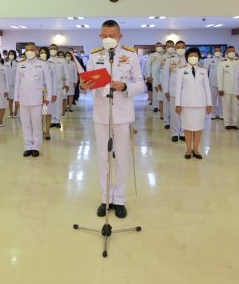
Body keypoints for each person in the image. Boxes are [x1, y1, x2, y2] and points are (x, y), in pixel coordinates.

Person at [80, 20, 145, 219]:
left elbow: (140, 83)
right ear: (100, 36)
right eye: (104, 35)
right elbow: (87, 82)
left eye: (112, 35)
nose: (108, 38)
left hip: (123, 113)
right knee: (103, 157)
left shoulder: (130, 55)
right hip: (101, 113)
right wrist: (84, 86)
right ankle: (105, 198)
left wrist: (125, 87)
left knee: (122, 156)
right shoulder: (94, 55)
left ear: (120, 36)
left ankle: (120, 200)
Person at [14, 42, 52, 157]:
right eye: (27, 49)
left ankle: (36, 146)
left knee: (36, 124)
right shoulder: (20, 64)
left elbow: (48, 82)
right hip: (23, 99)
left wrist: (48, 97)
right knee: (25, 124)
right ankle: (27, 146)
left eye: (31, 49)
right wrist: (16, 98)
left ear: (36, 51)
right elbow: (17, 83)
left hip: (37, 100)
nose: (29, 51)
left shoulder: (42, 64)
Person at [175, 47, 212, 159]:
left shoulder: (203, 70)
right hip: (186, 104)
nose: (193, 58)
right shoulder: (181, 70)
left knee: (198, 128)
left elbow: (207, 88)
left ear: (199, 57)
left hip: (200, 104)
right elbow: (178, 88)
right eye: (191, 56)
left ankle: (196, 149)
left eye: (195, 56)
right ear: (187, 57)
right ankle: (188, 150)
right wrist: (177, 104)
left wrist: (209, 104)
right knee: (187, 128)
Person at [161, 40, 186, 141]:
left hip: (186, 92)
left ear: (185, 48)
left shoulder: (189, 59)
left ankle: (183, 132)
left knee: (184, 113)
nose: (180, 49)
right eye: (178, 47)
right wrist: (166, 91)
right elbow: (166, 76)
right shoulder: (170, 60)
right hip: (173, 90)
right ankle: (175, 133)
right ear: (175, 49)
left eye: (182, 47)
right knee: (175, 113)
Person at [218, 45, 239, 130]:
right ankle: (227, 123)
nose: (231, 53)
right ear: (226, 53)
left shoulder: (238, 62)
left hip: (236, 89)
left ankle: (234, 123)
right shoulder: (222, 62)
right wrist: (220, 88)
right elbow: (219, 76)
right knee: (226, 107)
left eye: (233, 51)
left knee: (235, 107)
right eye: (229, 51)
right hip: (226, 89)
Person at [48, 44, 69, 128]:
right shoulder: (47, 61)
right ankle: (52, 120)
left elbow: (66, 74)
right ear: (49, 50)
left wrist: (66, 85)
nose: (53, 50)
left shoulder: (62, 60)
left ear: (57, 50)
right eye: (51, 49)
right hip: (49, 87)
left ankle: (57, 121)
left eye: (54, 49)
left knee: (58, 104)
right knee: (51, 104)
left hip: (59, 86)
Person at [205, 45, 224, 120]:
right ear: (213, 51)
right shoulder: (210, 60)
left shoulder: (224, 60)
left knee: (221, 99)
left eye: (219, 50)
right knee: (213, 99)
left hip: (222, 83)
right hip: (212, 82)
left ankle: (221, 114)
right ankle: (213, 113)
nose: (217, 52)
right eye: (216, 50)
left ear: (221, 51)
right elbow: (206, 70)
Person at [161, 40, 175, 128]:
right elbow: (159, 70)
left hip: (174, 83)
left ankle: (174, 121)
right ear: (166, 47)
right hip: (165, 82)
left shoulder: (177, 56)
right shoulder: (163, 57)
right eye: (168, 46)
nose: (170, 48)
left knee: (174, 104)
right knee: (166, 102)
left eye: (171, 46)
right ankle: (166, 121)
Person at [149, 42, 164, 113]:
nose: (159, 47)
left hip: (164, 76)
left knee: (163, 91)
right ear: (155, 47)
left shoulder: (165, 55)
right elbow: (148, 66)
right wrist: (149, 75)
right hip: (154, 76)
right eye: (157, 46)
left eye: (160, 46)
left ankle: (162, 106)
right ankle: (155, 106)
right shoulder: (152, 55)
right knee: (155, 91)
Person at [5, 50, 18, 118]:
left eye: (12, 54)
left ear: (14, 55)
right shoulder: (6, 64)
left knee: (16, 99)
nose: (11, 55)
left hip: (16, 84)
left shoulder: (18, 63)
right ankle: (10, 112)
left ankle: (15, 111)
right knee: (10, 99)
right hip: (9, 85)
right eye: (10, 54)